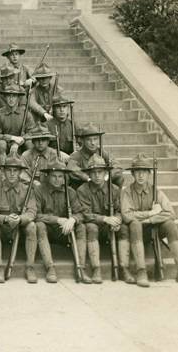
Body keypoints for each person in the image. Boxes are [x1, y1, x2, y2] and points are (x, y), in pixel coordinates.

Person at [121, 154, 178, 287]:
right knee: (134, 224)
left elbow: (171, 213)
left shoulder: (155, 191)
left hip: (154, 229)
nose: (141, 175)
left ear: (148, 174)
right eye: (137, 172)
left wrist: (150, 220)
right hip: (136, 233)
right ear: (133, 174)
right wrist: (150, 213)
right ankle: (141, 271)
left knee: (170, 225)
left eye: (144, 172)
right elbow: (126, 215)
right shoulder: (127, 192)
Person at [77, 154, 133, 285]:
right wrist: (105, 219)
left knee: (124, 228)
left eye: (100, 172)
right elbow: (85, 214)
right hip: (95, 227)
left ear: (106, 173)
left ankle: (124, 268)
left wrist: (117, 220)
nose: (97, 175)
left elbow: (120, 210)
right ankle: (96, 269)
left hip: (111, 226)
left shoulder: (114, 189)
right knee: (91, 227)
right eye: (94, 172)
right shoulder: (83, 190)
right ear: (89, 174)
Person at [34, 159, 88, 284]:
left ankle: (81, 267)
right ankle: (50, 268)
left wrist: (73, 220)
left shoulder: (70, 192)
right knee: (39, 225)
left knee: (81, 228)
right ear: (47, 176)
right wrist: (57, 220)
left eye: (60, 176)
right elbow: (35, 215)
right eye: (54, 176)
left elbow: (80, 213)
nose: (57, 180)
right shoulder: (39, 190)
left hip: (64, 231)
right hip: (47, 230)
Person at [0, 157, 38, 283]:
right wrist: (6, 218)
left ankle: (30, 267)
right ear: (3, 172)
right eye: (9, 170)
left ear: (20, 172)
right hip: (3, 228)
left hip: (20, 228)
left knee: (32, 226)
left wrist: (20, 219)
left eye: (15, 170)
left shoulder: (27, 190)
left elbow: (32, 212)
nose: (12, 173)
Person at [68, 123, 124, 187]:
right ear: (83, 141)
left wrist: (106, 176)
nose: (93, 143)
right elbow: (71, 168)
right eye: (89, 140)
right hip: (85, 185)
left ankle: (113, 196)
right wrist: (87, 178)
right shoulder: (77, 155)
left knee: (119, 178)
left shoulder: (102, 152)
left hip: (101, 182)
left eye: (95, 139)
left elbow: (117, 165)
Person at [0, 85, 36, 165]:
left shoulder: (26, 114)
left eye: (14, 96)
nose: (11, 99)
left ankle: (31, 170)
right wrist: (12, 138)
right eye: (8, 96)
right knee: (1, 144)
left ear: (18, 98)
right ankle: (2, 170)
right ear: (5, 97)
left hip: (22, 142)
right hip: (6, 143)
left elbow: (32, 132)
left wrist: (21, 139)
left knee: (30, 144)